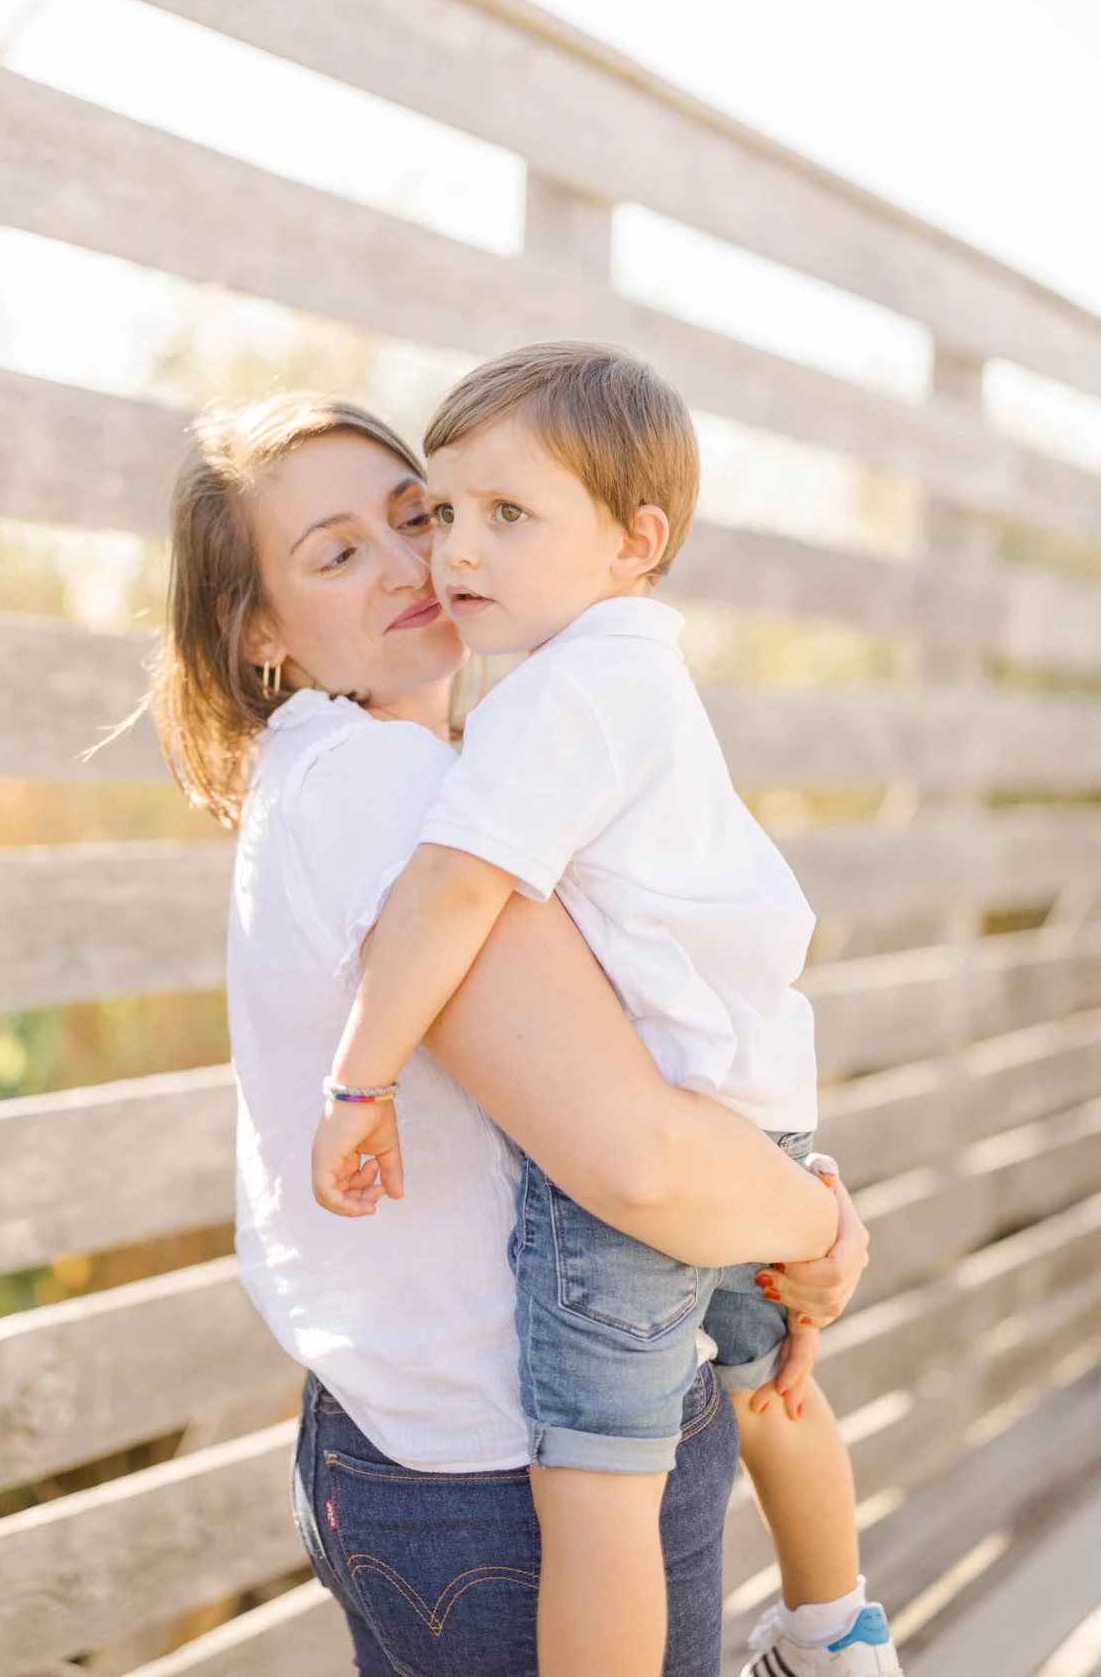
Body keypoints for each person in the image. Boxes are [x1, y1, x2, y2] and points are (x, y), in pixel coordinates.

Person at [149, 389, 868, 1677]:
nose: (418, 561)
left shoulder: (375, 770)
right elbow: (637, 1159)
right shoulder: (386, 788)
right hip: (500, 1469)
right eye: (337, 553)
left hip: (405, 1450)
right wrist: (816, 1225)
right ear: (257, 628)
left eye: (417, 516)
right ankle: (839, 1636)